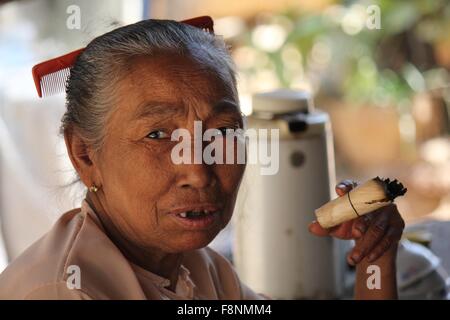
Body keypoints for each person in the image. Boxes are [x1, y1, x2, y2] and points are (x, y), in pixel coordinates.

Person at [0, 19, 404, 299]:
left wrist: (376, 259)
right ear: (85, 155)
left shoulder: (198, 269)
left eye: (222, 132)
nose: (198, 170)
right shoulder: (66, 290)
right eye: (158, 135)